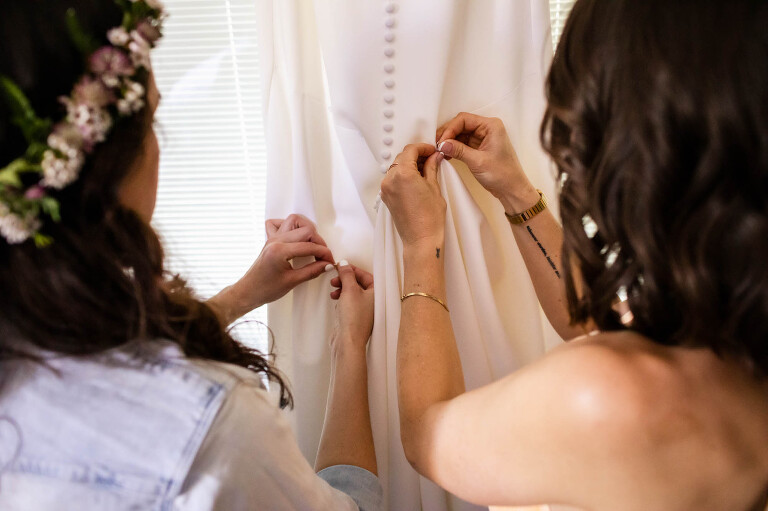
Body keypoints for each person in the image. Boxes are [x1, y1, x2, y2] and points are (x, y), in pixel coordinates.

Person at [380, 0, 768, 510]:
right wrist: (518, 194)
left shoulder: (611, 401)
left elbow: (425, 431)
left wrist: (419, 244)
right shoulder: (736, 332)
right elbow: (592, 323)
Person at [0, 2, 380, 509]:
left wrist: (244, 294)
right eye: (153, 117)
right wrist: (350, 348)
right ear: (101, 167)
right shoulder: (204, 433)